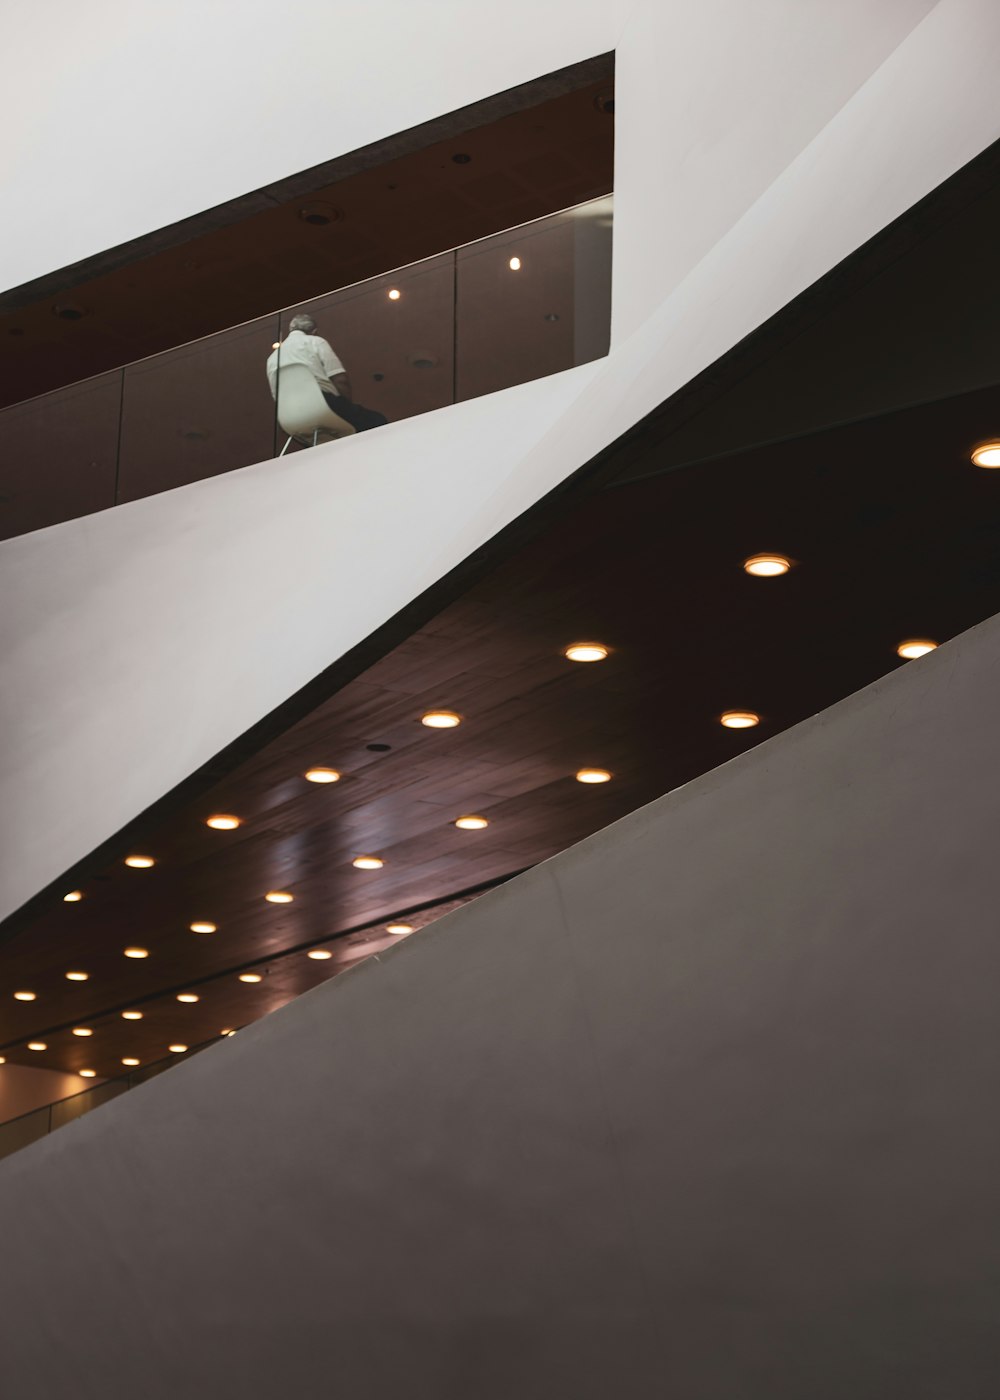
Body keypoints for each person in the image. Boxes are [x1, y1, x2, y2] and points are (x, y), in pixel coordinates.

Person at [266, 313, 388, 436]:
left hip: (289, 416)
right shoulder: (316, 342)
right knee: (377, 420)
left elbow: (276, 396)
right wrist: (348, 407)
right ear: (314, 332)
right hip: (322, 406)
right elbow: (340, 380)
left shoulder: (272, 358)